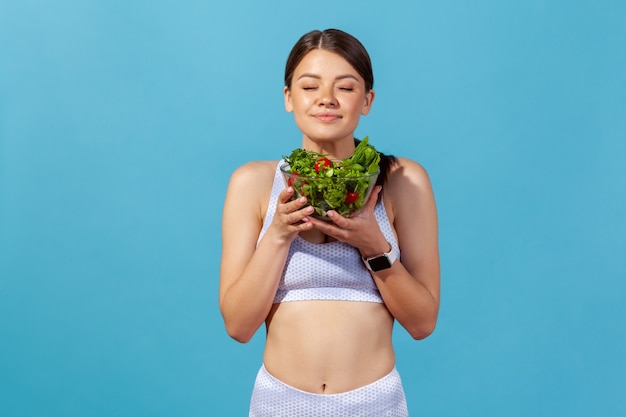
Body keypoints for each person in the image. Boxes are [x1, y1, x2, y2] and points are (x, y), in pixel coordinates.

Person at [219, 28, 440, 416]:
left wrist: (374, 246)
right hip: (280, 403)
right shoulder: (252, 183)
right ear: (288, 98)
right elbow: (238, 326)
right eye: (309, 86)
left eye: (346, 87)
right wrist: (278, 234)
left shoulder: (403, 180)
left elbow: (423, 322)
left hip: (374, 404)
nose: (326, 99)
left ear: (367, 100)